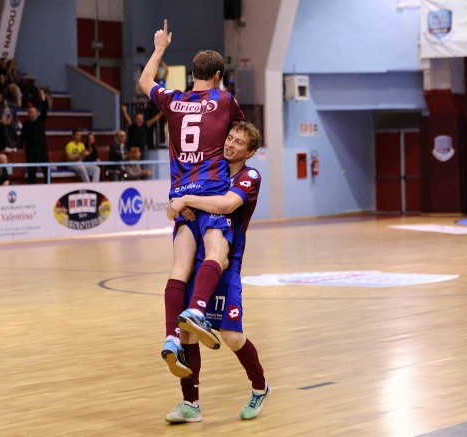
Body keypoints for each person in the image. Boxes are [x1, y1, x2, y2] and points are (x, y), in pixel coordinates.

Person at [138, 20, 245, 376]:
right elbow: (242, 136)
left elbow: (144, 81)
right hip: (211, 194)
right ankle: (197, 309)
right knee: (218, 255)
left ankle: (171, 337)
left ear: (193, 74)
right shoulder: (224, 100)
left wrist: (159, 48)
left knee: (179, 269)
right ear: (217, 75)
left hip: (180, 199)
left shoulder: (174, 99)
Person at [165, 121, 269, 423]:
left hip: (226, 264)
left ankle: (260, 387)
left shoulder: (250, 176)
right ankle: (191, 403)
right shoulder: (209, 170)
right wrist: (176, 205)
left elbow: (226, 204)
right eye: (230, 138)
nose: (231, 144)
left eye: (239, 142)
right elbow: (173, 209)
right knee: (187, 332)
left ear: (250, 151)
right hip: (198, 262)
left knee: (231, 336)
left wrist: (188, 200)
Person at [19, 89, 49, 184]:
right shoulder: (25, 124)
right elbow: (22, 136)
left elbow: (45, 110)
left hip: (41, 149)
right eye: (28, 112)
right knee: (31, 171)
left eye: (31, 112)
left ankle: (48, 185)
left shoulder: (41, 120)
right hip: (30, 151)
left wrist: (43, 98)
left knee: (46, 170)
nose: (29, 114)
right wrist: (20, 147)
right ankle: (32, 187)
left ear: (36, 113)